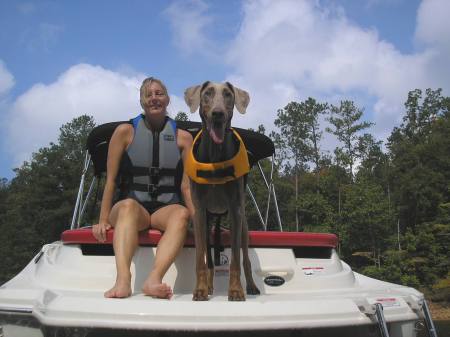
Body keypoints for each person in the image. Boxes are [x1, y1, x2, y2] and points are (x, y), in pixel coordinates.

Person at [92, 77, 194, 299]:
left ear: (167, 99)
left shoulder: (184, 138)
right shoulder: (124, 132)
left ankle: (153, 279)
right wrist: (102, 219)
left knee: (182, 213)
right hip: (132, 206)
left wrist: (198, 222)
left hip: (164, 209)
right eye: (148, 95)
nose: (154, 98)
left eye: (159, 94)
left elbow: (186, 187)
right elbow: (110, 180)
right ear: (141, 102)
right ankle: (123, 281)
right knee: (128, 206)